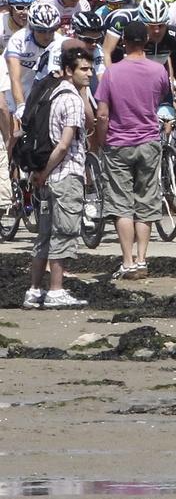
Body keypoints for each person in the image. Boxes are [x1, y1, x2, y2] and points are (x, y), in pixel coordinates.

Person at [94, 20, 171, 280]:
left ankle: (127, 260)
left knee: (121, 204)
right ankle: (141, 259)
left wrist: (101, 141)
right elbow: (160, 99)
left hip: (119, 142)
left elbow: (102, 114)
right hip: (148, 141)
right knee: (146, 201)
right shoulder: (158, 70)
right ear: (147, 42)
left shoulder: (112, 73)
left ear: (124, 42)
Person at [23, 45, 93, 309]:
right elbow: (64, 145)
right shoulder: (72, 99)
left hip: (47, 175)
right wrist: (47, 173)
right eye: (83, 69)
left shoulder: (50, 93)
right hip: (64, 176)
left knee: (44, 236)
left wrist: (40, 173)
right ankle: (56, 290)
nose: (89, 73)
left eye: (90, 68)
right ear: (67, 71)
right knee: (62, 234)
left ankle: (33, 290)